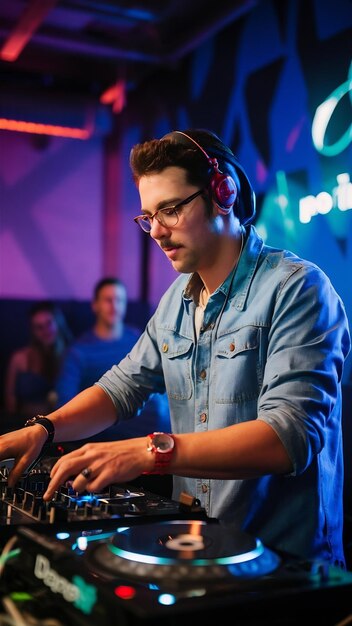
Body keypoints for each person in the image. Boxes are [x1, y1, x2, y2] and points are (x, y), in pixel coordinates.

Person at [0, 129, 350, 568]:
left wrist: (149, 451)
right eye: (148, 217)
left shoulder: (297, 289)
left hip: (283, 566)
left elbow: (288, 437)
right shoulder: (176, 301)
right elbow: (121, 387)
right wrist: (44, 429)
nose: (157, 232)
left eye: (170, 209)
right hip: (199, 548)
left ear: (223, 192)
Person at [55, 276, 170, 438]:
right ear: (95, 305)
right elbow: (64, 405)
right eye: (108, 300)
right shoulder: (78, 352)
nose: (114, 306)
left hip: (168, 428)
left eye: (119, 300)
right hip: (120, 433)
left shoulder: (139, 337)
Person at [4, 300, 72, 419]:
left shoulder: (73, 356)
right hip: (25, 423)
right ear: (33, 331)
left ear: (58, 322)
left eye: (49, 323)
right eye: (39, 327)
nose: (45, 331)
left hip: (63, 423)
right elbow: (10, 399)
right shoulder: (20, 358)